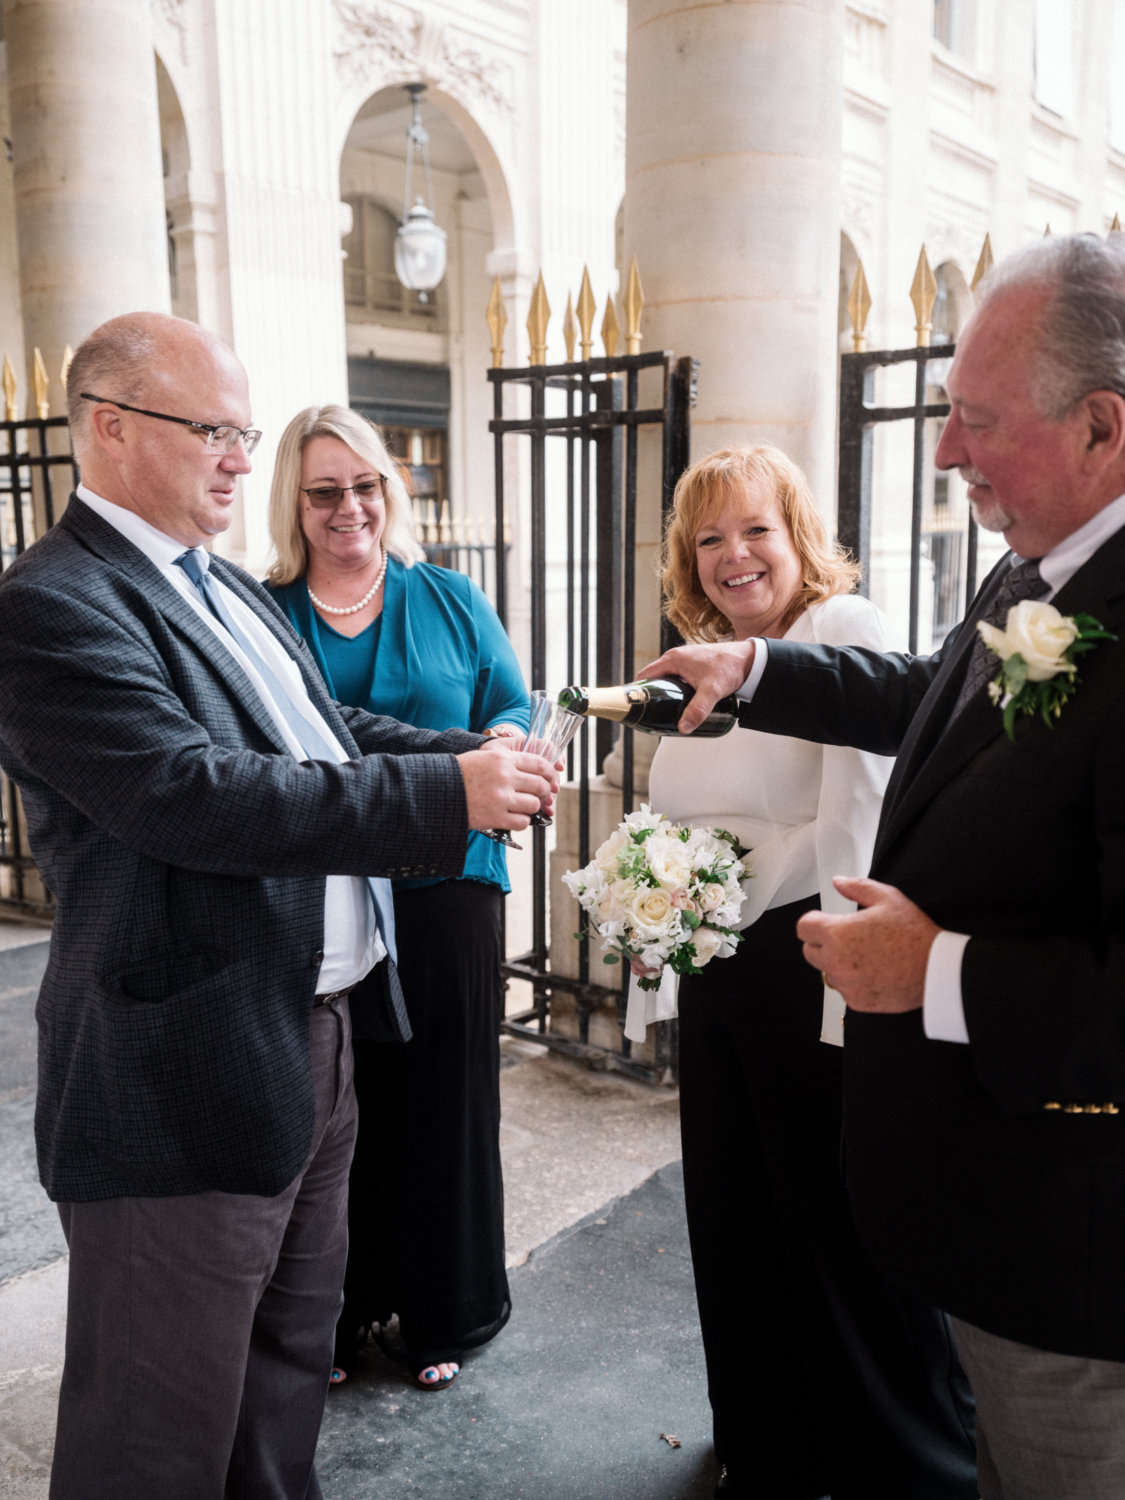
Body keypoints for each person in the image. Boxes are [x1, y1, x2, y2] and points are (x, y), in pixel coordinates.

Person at [0, 311, 557, 1500]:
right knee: (157, 1428)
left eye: (243, 433)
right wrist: (439, 796)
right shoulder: (53, 604)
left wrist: (476, 763)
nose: (241, 461)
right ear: (109, 426)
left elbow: (328, 732)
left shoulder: (222, 588)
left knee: (286, 1371)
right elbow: (191, 795)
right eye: (216, 430)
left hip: (320, 1036)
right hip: (183, 1067)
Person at [642, 232, 1125, 1500]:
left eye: (974, 418)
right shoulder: (1041, 571)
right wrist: (756, 671)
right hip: (991, 1201)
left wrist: (940, 973)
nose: (946, 452)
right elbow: (932, 700)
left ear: (1101, 428)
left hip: (1084, 1250)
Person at [639, 445, 977, 1500]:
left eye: (756, 530)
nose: (734, 556)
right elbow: (671, 828)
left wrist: (848, 999)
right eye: (709, 539)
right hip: (724, 982)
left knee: (838, 1236)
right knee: (736, 1219)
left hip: (812, 974)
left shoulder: (842, 634)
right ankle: (768, 1441)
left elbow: (864, 816)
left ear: (800, 538)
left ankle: (886, 1463)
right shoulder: (696, 657)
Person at [264, 405, 529, 1393]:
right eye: (325, 490)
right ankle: (335, 1316)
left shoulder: (451, 597)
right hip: (321, 899)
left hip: (449, 885)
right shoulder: (265, 611)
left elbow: (507, 701)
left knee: (445, 1105)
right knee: (337, 1108)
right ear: (293, 503)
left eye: (365, 485)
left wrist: (500, 744)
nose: (349, 508)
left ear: (391, 491)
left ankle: (445, 1310)